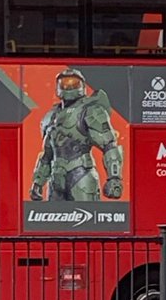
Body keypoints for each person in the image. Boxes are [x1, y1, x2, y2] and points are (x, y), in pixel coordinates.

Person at [29, 69, 124, 202]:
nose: (69, 86)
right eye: (64, 84)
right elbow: (47, 154)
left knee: (88, 219)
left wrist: (114, 179)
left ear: (82, 86)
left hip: (81, 174)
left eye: (73, 83)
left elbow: (109, 145)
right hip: (56, 179)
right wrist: (38, 182)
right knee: (53, 221)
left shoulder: (91, 110)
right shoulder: (51, 116)